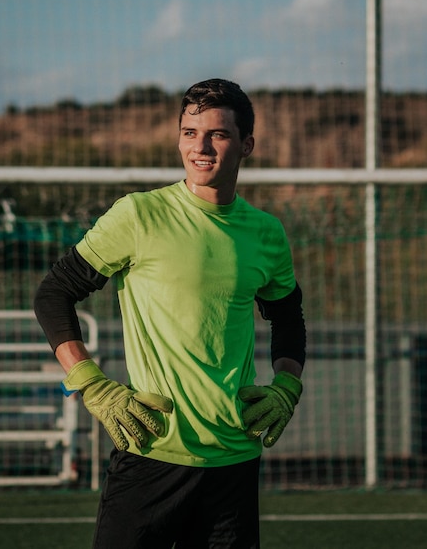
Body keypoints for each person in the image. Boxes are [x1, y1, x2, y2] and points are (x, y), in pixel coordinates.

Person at [34, 78, 306, 548]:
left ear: (247, 145)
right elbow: (53, 293)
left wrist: (287, 386)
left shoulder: (267, 233)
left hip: (234, 459)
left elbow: (288, 316)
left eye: (217, 134)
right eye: (189, 132)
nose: (200, 146)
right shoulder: (139, 215)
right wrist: (93, 385)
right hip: (151, 449)